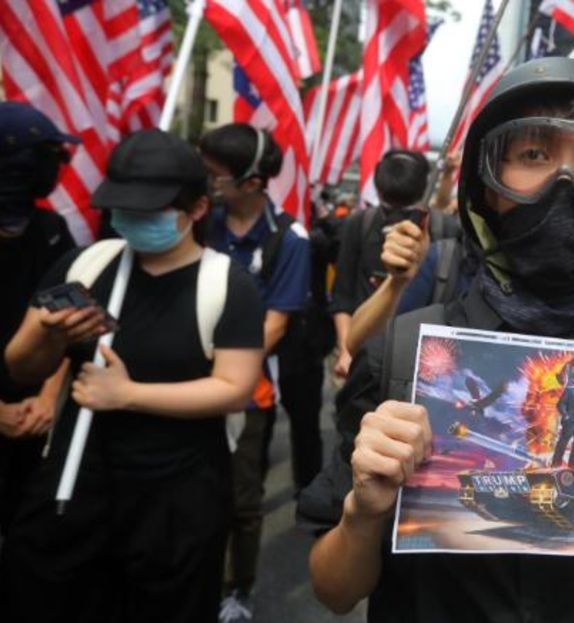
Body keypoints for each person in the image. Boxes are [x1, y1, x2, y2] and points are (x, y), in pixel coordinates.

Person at [298, 57, 574, 621]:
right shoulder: (406, 352)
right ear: (487, 188)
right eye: (534, 155)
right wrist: (363, 511)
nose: (566, 182)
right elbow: (335, 591)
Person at [0, 129, 264, 621]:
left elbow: (234, 388)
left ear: (197, 210)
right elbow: (20, 365)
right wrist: (49, 335)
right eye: (125, 210)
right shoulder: (85, 264)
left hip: (177, 500)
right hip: (75, 484)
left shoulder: (227, 284)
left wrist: (127, 394)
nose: (134, 222)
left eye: (151, 212)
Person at [199, 123, 312, 622]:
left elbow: (276, 322)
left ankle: (236, 589)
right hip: (181, 382)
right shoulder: (200, 222)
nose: (205, 184)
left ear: (250, 182)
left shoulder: (289, 238)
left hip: (247, 392)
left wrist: (216, 367)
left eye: (213, 176)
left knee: (242, 501)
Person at [0, 103, 78, 534]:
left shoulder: (50, 230)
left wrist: (49, 397)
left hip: (31, 416)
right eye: (50, 156)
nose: (59, 168)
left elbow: (69, 317)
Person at [331, 150, 460, 376]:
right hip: (365, 358)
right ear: (379, 192)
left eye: (409, 212)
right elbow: (343, 296)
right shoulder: (358, 224)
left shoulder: (446, 230)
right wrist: (346, 350)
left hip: (421, 364)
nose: (398, 223)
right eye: (388, 211)